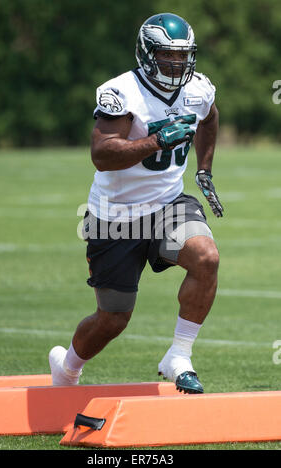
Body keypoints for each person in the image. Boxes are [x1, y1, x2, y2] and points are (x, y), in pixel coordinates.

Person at [49, 12, 224, 394]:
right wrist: (158, 141)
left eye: (183, 56)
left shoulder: (198, 88)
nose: (177, 64)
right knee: (113, 318)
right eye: (168, 55)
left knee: (206, 257)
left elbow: (209, 119)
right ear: (147, 53)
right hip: (116, 216)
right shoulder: (122, 91)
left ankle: (178, 354)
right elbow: (103, 153)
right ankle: (66, 367)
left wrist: (204, 169)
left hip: (167, 204)